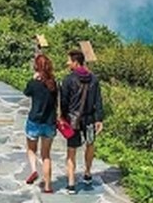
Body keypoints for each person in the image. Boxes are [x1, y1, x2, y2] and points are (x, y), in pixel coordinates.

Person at [60, 48, 104, 194]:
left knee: (71, 150)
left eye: (69, 61)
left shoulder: (68, 80)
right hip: (90, 118)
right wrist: (99, 118)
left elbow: (64, 102)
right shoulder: (94, 79)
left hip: (73, 121)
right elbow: (98, 100)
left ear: (75, 62)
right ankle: (87, 173)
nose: (67, 63)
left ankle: (71, 184)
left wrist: (63, 117)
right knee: (90, 144)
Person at [23, 53, 58, 193]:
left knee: (31, 149)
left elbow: (26, 92)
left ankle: (33, 170)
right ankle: (48, 186)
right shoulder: (53, 84)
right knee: (46, 155)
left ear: (36, 67)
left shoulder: (34, 84)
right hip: (49, 123)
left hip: (34, 121)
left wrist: (33, 79)